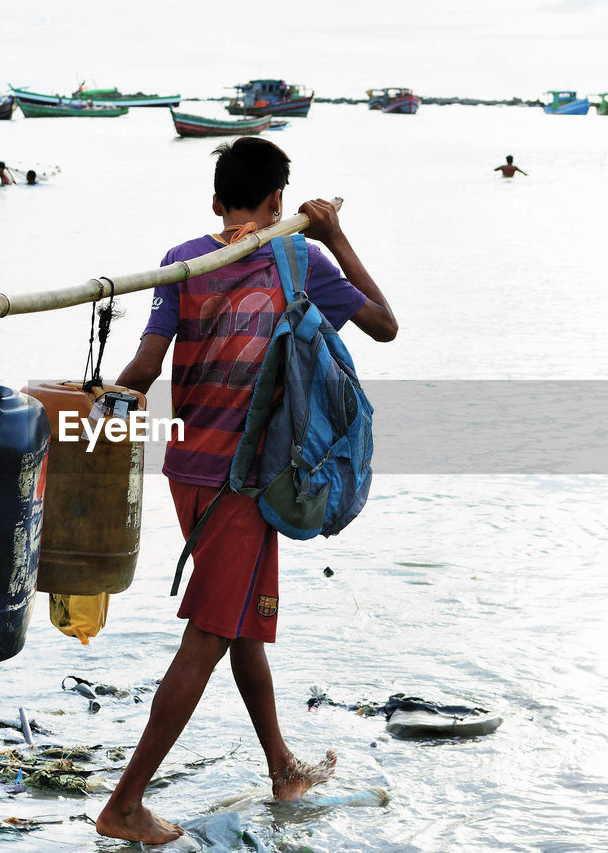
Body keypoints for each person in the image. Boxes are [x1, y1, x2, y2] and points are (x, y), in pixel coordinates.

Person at [95, 138, 397, 845]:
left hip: (192, 470)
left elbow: (143, 363)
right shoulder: (300, 256)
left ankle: (283, 767)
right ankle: (126, 804)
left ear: (215, 204)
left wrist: (91, 411)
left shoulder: (184, 258)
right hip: (242, 480)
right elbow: (384, 324)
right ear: (277, 204)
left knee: (242, 624)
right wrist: (337, 236)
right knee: (210, 633)